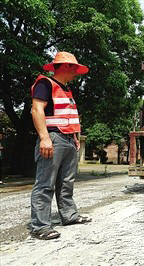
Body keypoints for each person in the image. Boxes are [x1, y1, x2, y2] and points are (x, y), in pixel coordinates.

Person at [30, 51, 91, 240]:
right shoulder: (45, 83)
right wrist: (44, 138)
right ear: (65, 66)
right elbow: (37, 109)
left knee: (66, 182)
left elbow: (67, 116)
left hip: (68, 140)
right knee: (45, 184)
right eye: (74, 68)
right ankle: (41, 226)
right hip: (53, 138)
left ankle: (69, 216)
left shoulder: (66, 89)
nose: (76, 73)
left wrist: (74, 137)